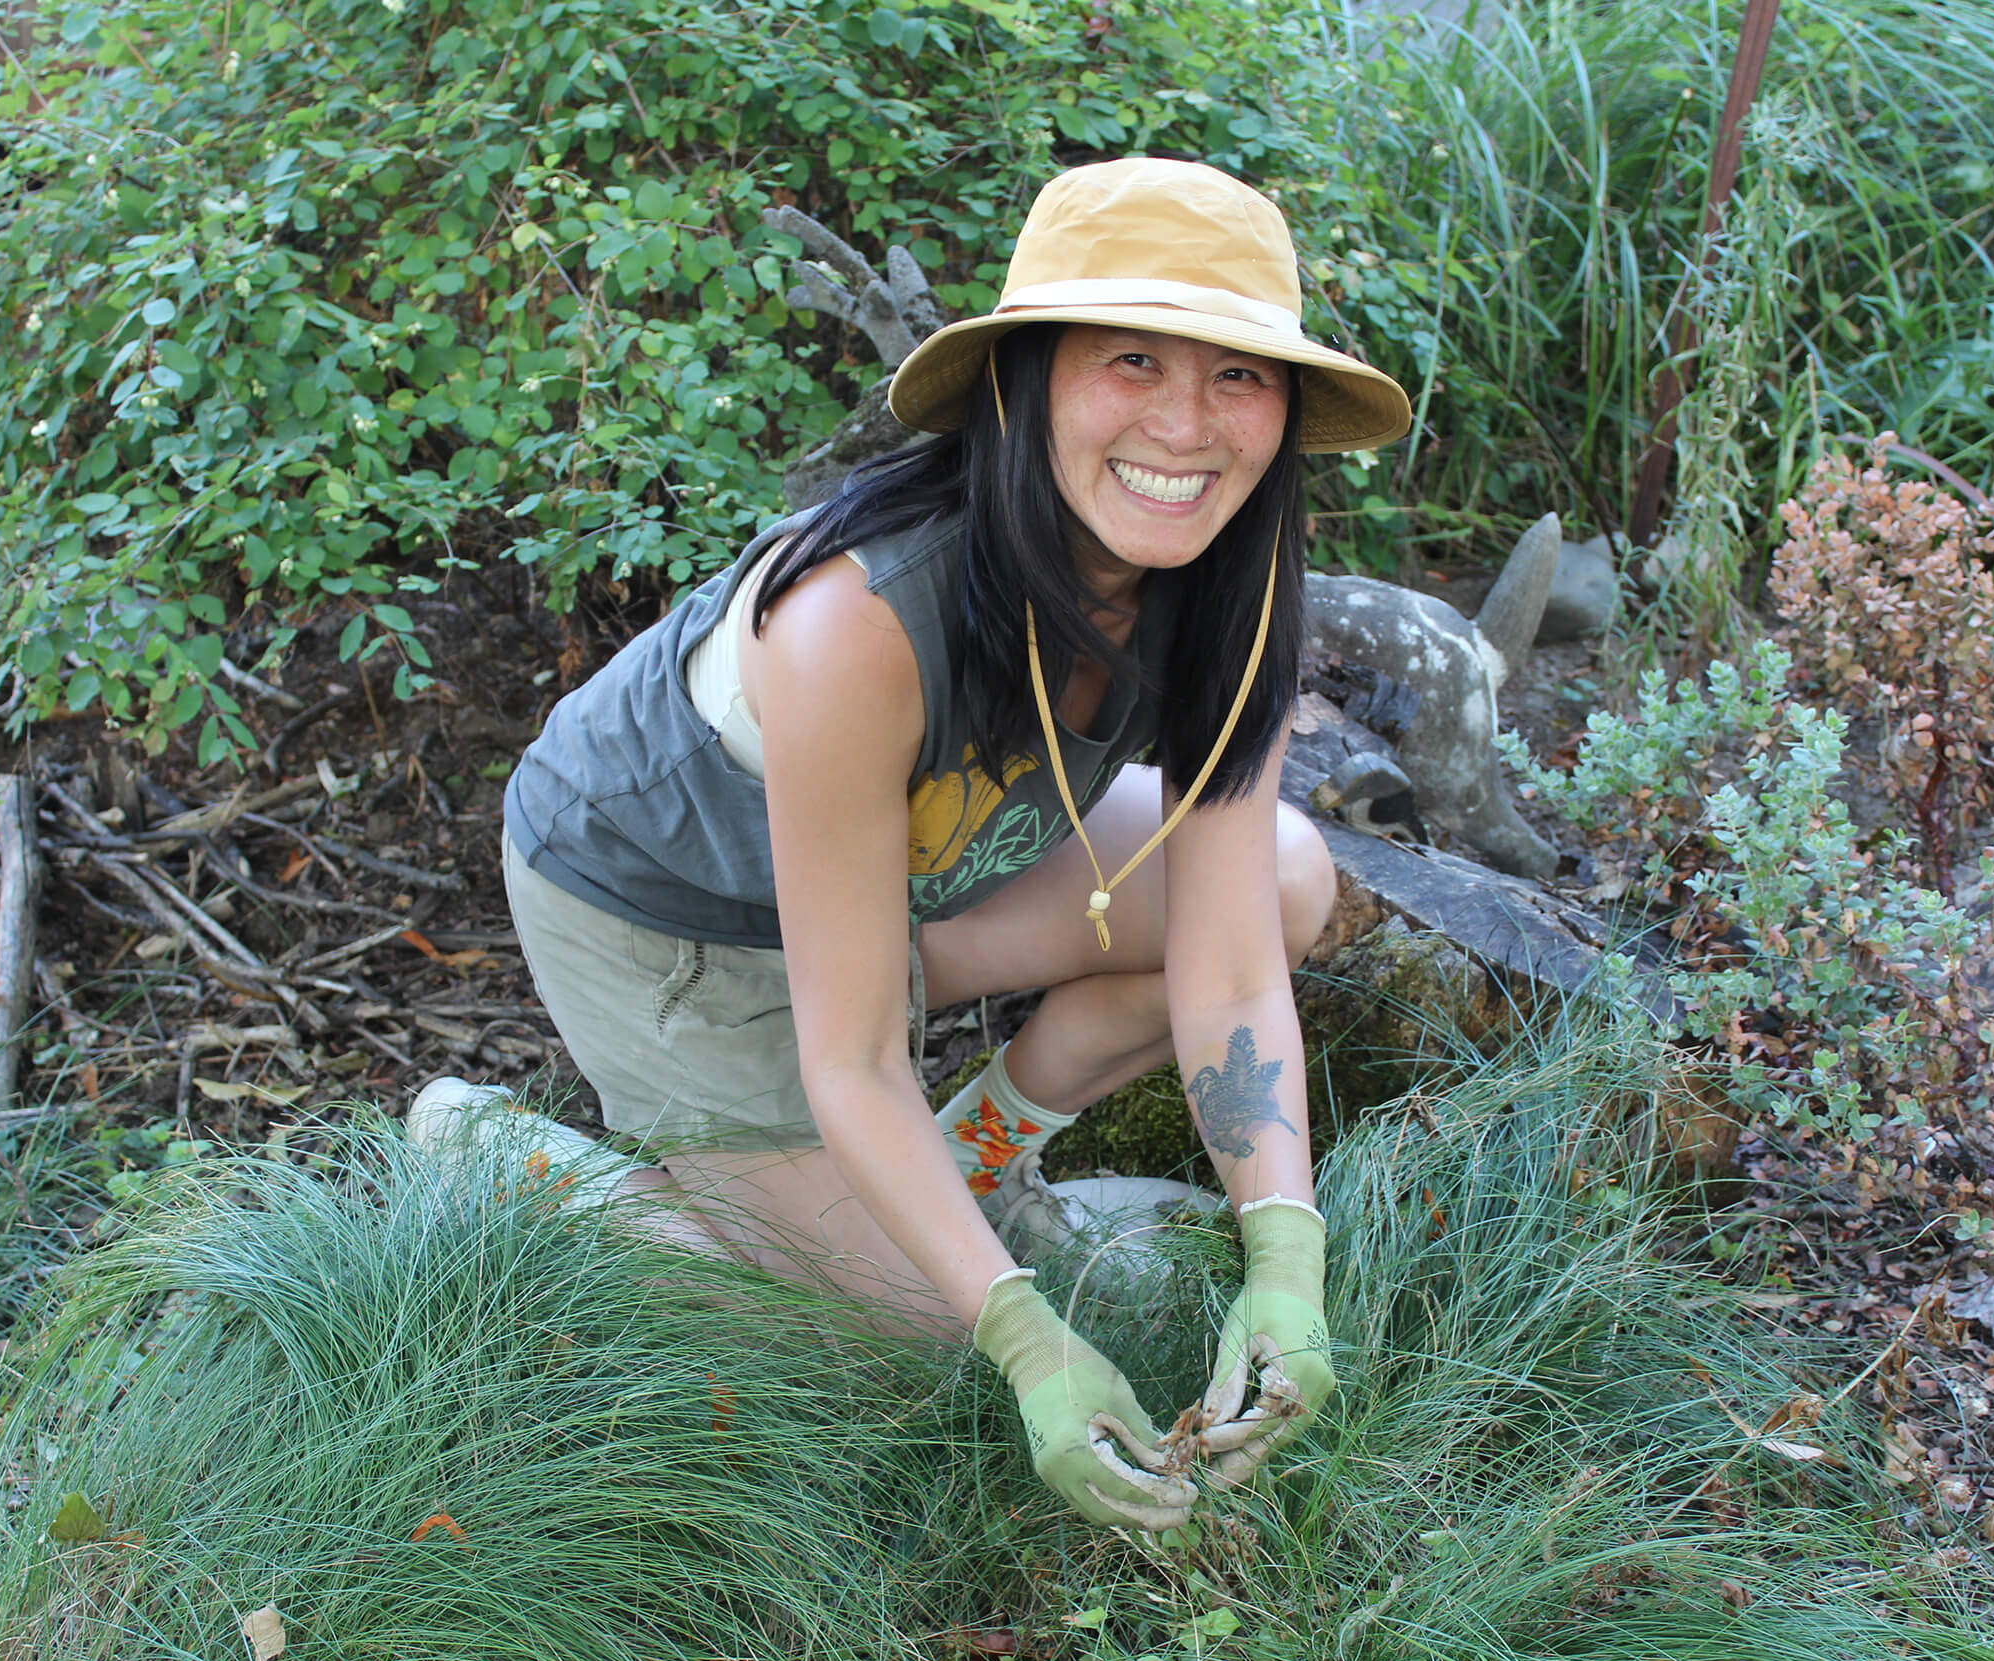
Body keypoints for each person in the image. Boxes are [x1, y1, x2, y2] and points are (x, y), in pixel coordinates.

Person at [419, 157, 1412, 1532]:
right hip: (676, 916)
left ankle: (978, 1159)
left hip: (899, 887)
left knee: (1293, 878)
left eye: (1237, 375)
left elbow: (1238, 968)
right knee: (906, 1353)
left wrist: (1283, 1260)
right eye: (1133, 359)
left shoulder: (1227, 591)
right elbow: (852, 1052)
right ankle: (516, 1171)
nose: (1188, 426)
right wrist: (1017, 1335)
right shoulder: (854, 624)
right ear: (1027, 380)